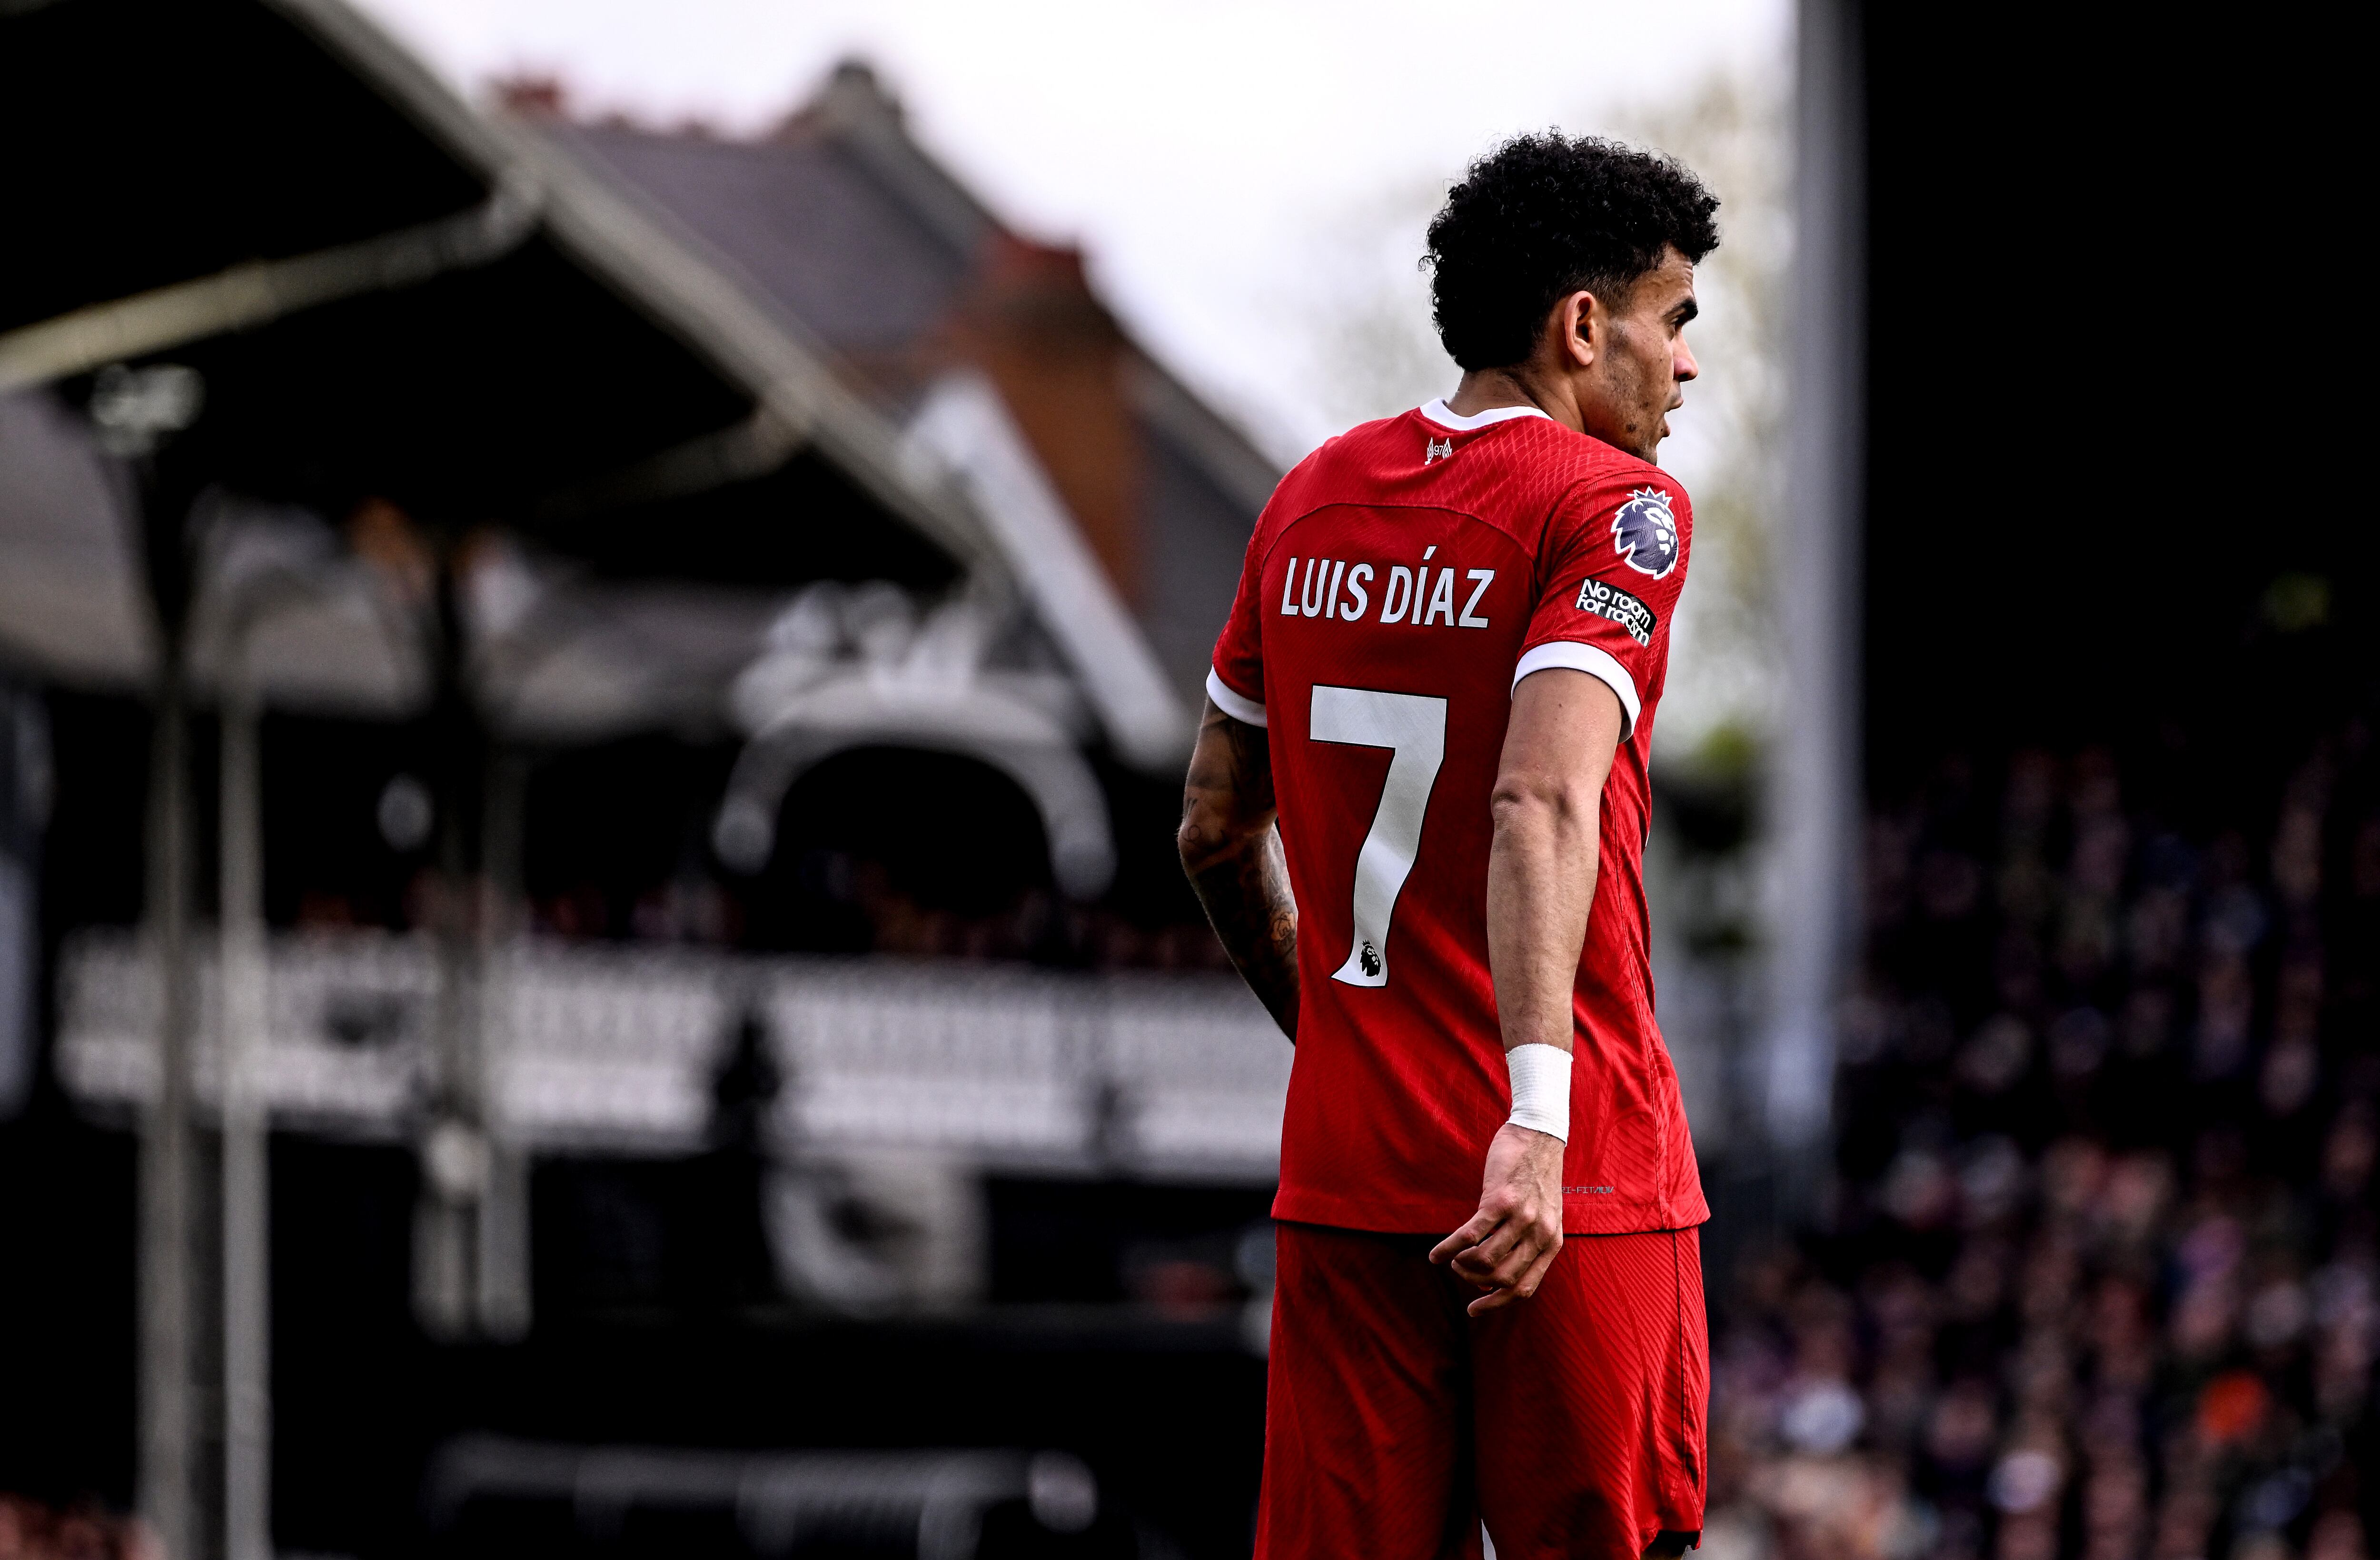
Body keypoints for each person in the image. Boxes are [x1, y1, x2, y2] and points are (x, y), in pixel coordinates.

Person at [1178, 133, 1720, 1559]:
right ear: (1583, 326)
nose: (1687, 369)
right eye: (1675, 323)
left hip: (1351, 1177)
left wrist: (1340, 1036)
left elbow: (1214, 827)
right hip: (1567, 1181)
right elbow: (1539, 806)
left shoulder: (1309, 495)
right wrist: (1533, 1128)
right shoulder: (1615, 508)